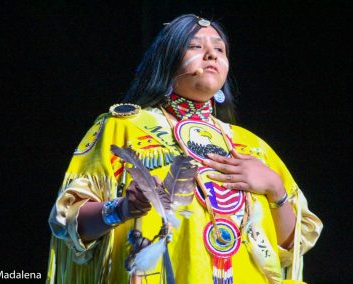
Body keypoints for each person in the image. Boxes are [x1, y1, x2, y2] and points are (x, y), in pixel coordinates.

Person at [47, 14, 322, 284]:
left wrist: (275, 188)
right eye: (195, 46)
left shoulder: (252, 146)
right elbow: (66, 223)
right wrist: (122, 208)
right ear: (165, 62)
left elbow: (291, 250)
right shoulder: (123, 127)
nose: (211, 55)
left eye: (219, 48)